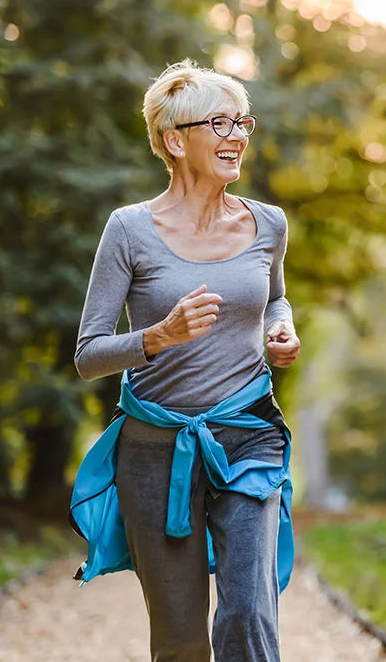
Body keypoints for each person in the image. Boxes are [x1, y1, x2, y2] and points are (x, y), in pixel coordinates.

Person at [70, 60, 301, 662]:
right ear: (175, 140)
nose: (238, 135)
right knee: (178, 638)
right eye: (219, 122)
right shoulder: (128, 231)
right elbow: (89, 354)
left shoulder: (267, 223)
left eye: (243, 120)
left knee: (250, 611)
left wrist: (281, 329)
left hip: (248, 434)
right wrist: (158, 337)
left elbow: (275, 296)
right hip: (155, 448)